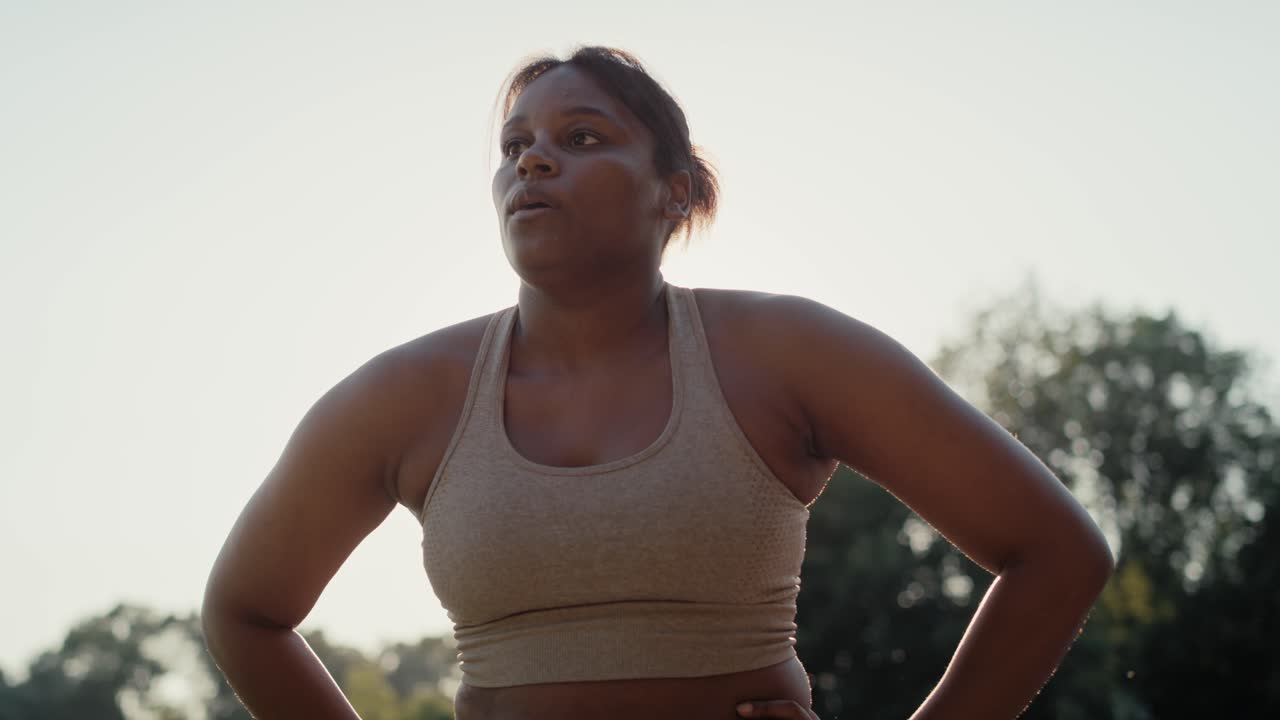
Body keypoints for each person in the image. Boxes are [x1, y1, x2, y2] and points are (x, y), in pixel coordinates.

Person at [201, 46, 1115, 720]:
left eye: (581, 136)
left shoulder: (788, 351)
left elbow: (1057, 553)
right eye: (514, 144)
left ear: (674, 192)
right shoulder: (403, 397)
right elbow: (245, 612)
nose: (532, 159)